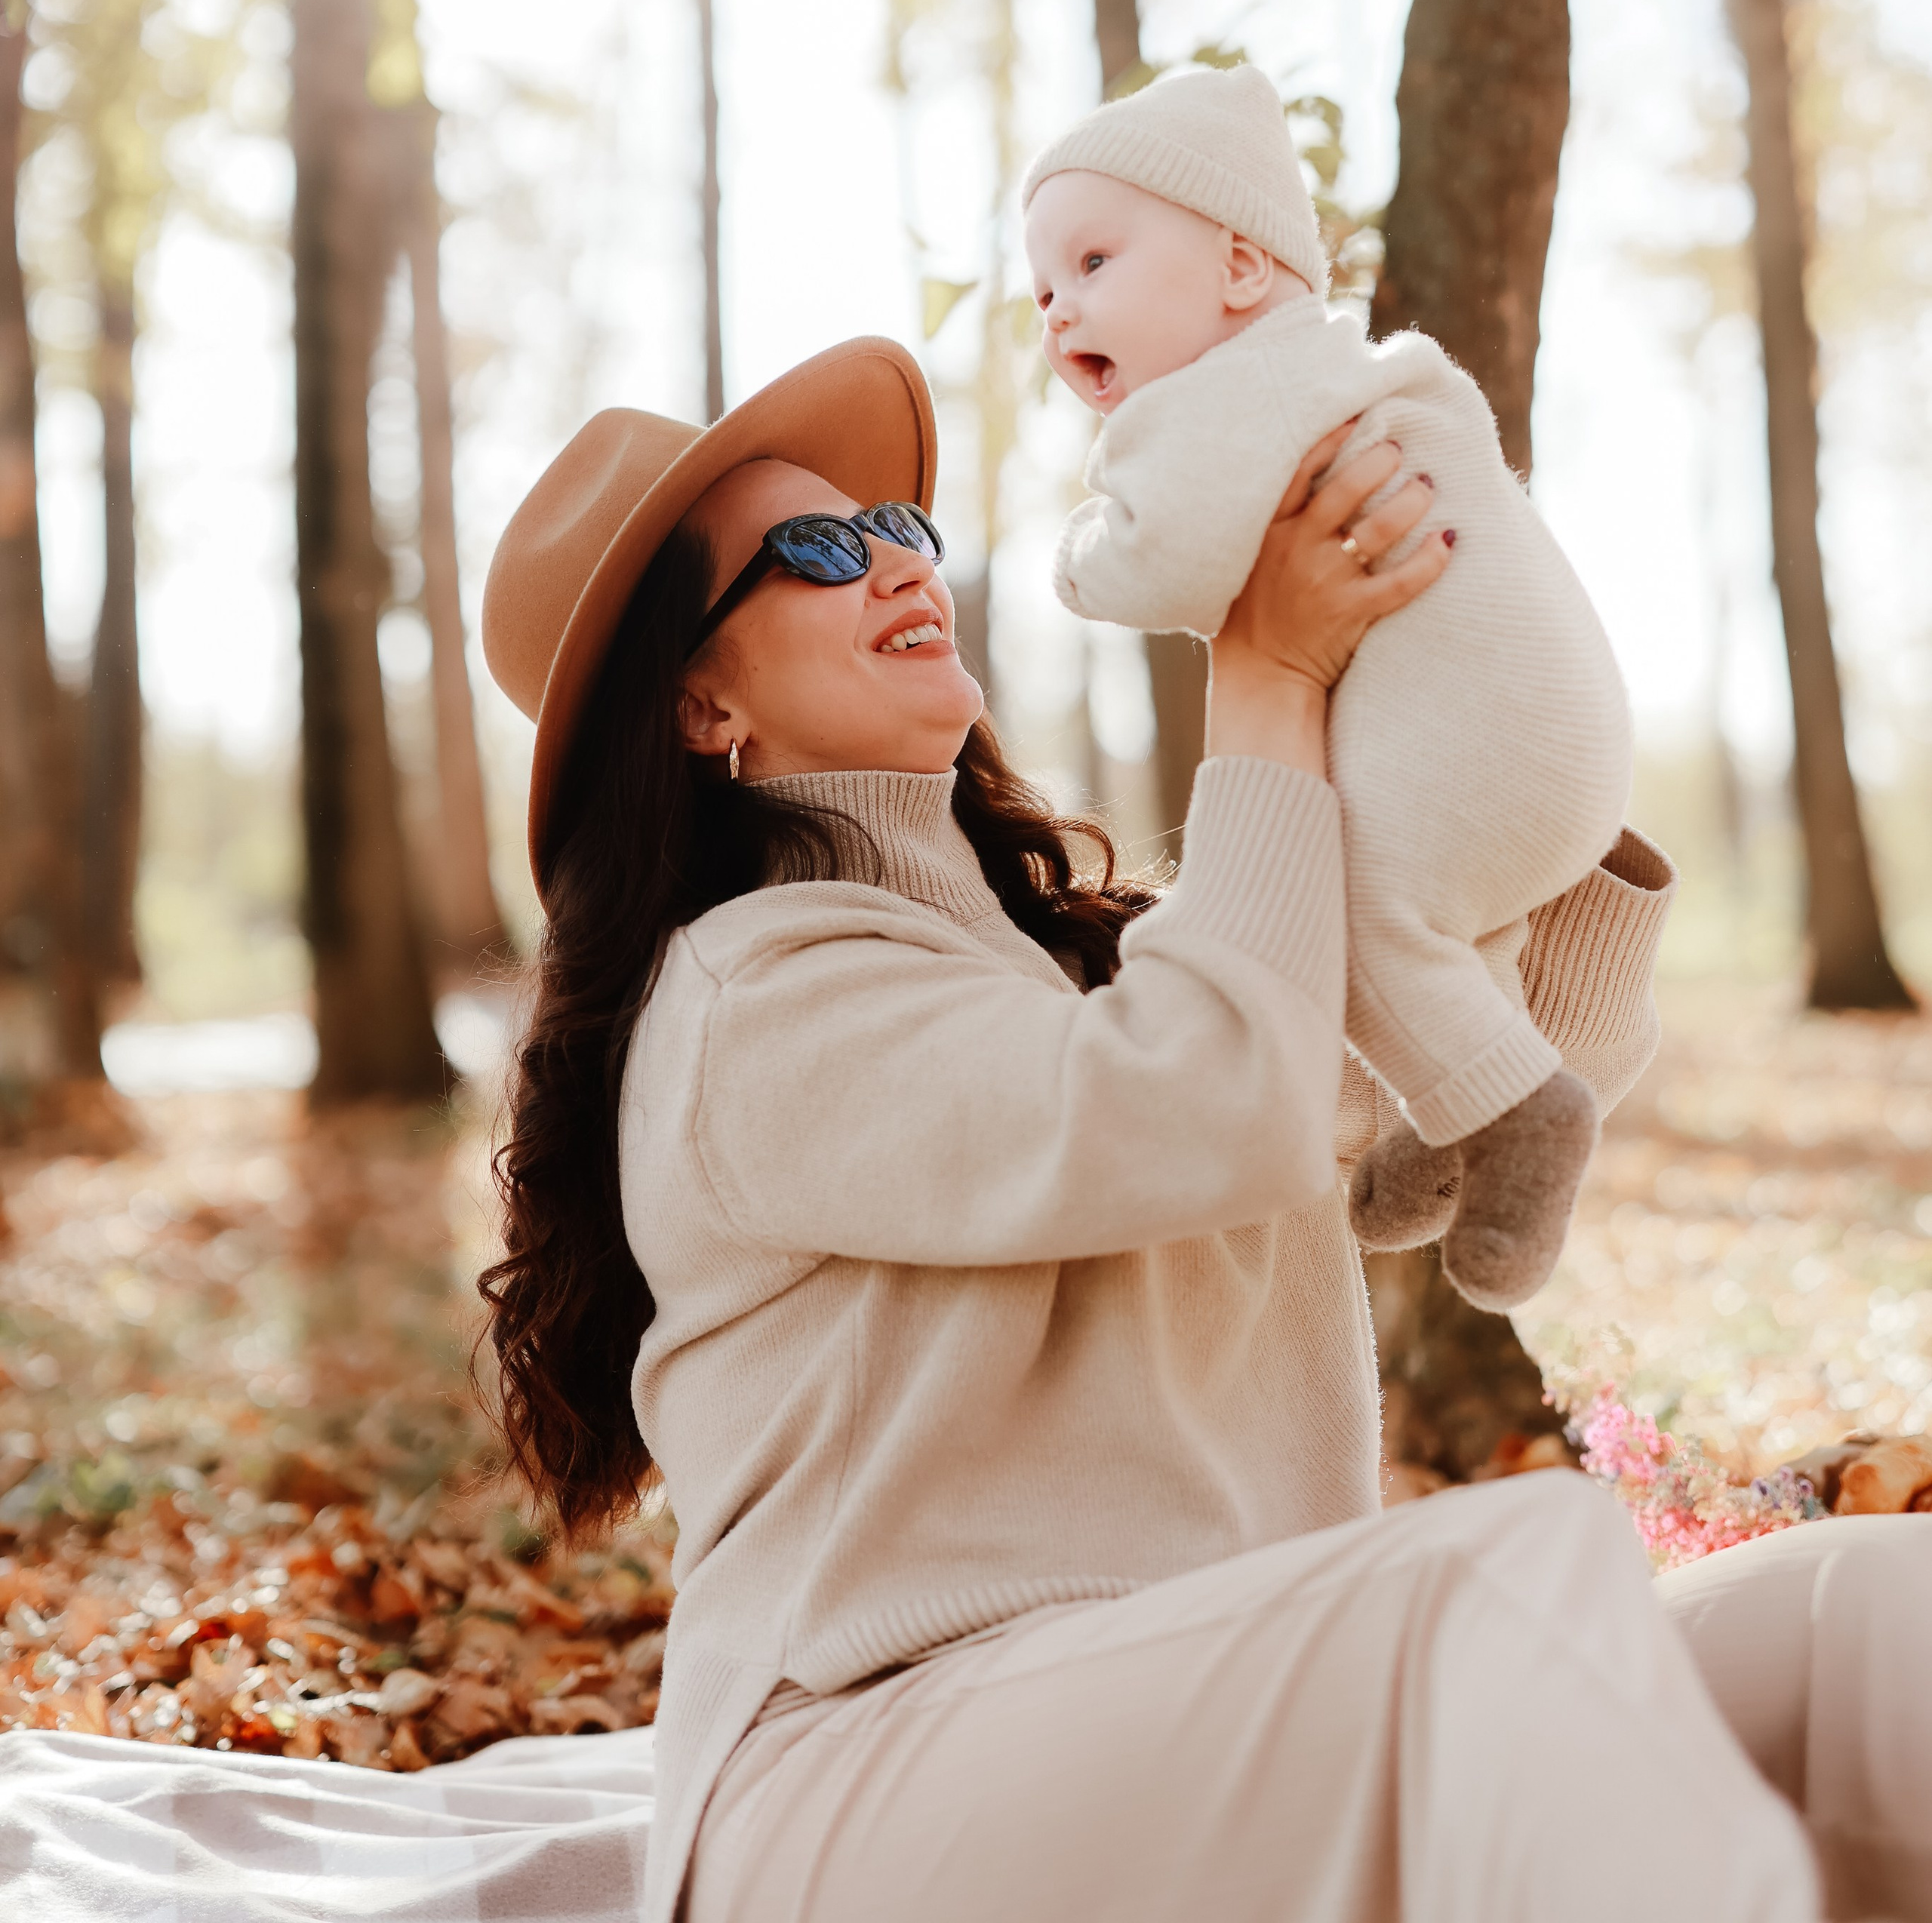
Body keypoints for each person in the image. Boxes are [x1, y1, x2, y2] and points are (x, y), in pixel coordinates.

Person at [470, 332, 1844, 1923]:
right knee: (1505, 1579)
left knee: (1853, 1619)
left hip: (1217, 1692)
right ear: (700, 702)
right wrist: (1264, 675)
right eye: (818, 552)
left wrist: (1516, 772)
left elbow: (1444, 1089)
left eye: (896, 527)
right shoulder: (747, 1005)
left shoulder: (1082, 976)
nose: (896, 560)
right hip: (856, 1781)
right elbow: (1206, 1101)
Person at [1022, 61, 1636, 1309]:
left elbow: (1171, 560)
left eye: (1092, 263)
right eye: (1042, 289)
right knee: (1445, 927)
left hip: (1486, 742)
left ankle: (1519, 1108)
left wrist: (1078, 559)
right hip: (1556, 742)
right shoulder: (1347, 372)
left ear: (1243, 269)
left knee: (1342, 907)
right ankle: (1448, 1118)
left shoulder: (1225, 396)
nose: (1058, 308)